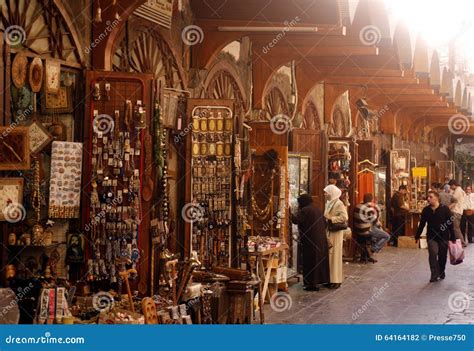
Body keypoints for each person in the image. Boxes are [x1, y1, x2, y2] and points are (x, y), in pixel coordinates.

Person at [291, 194, 330, 291]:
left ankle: (311, 284)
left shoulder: (305, 210)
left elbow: (296, 220)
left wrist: (289, 213)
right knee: (318, 261)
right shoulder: (318, 209)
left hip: (311, 240)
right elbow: (325, 224)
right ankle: (319, 281)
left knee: (310, 261)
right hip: (320, 239)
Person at [415, 191, 456, 282]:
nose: (428, 199)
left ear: (437, 198)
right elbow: (422, 224)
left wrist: (453, 236)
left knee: (442, 256)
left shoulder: (445, 209)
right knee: (433, 254)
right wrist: (417, 235)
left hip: (443, 236)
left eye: (430, 197)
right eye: (427, 197)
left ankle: (441, 271)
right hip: (431, 236)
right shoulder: (426, 210)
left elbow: (450, 223)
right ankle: (434, 274)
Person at [324, 184, 348, 289]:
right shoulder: (329, 203)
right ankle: (330, 279)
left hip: (336, 233)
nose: (325, 194)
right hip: (330, 232)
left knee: (335, 256)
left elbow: (344, 217)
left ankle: (336, 280)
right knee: (330, 256)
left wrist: (331, 218)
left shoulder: (338, 204)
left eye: (326, 192)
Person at [448, 180, 467, 247]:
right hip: (458, 211)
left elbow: (451, 199)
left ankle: (462, 242)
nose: (450, 187)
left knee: (455, 228)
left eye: (450, 186)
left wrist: (449, 193)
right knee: (455, 227)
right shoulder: (460, 190)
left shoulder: (457, 191)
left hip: (455, 211)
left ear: (453, 185)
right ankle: (457, 242)